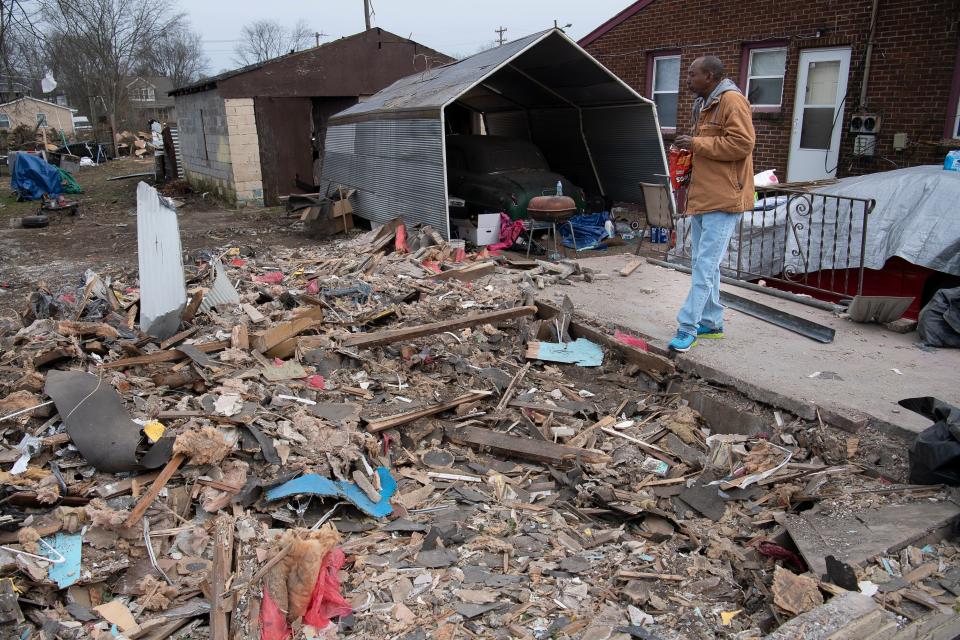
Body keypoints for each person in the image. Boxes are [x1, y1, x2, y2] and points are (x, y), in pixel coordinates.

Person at [668, 56, 756, 352]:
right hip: (704, 195)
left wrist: (696, 144)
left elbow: (743, 144)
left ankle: (688, 326)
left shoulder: (732, 101)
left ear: (711, 75)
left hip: (724, 198)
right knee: (703, 264)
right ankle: (712, 322)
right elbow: (709, 148)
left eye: (693, 75)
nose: (688, 80)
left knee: (705, 266)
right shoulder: (704, 105)